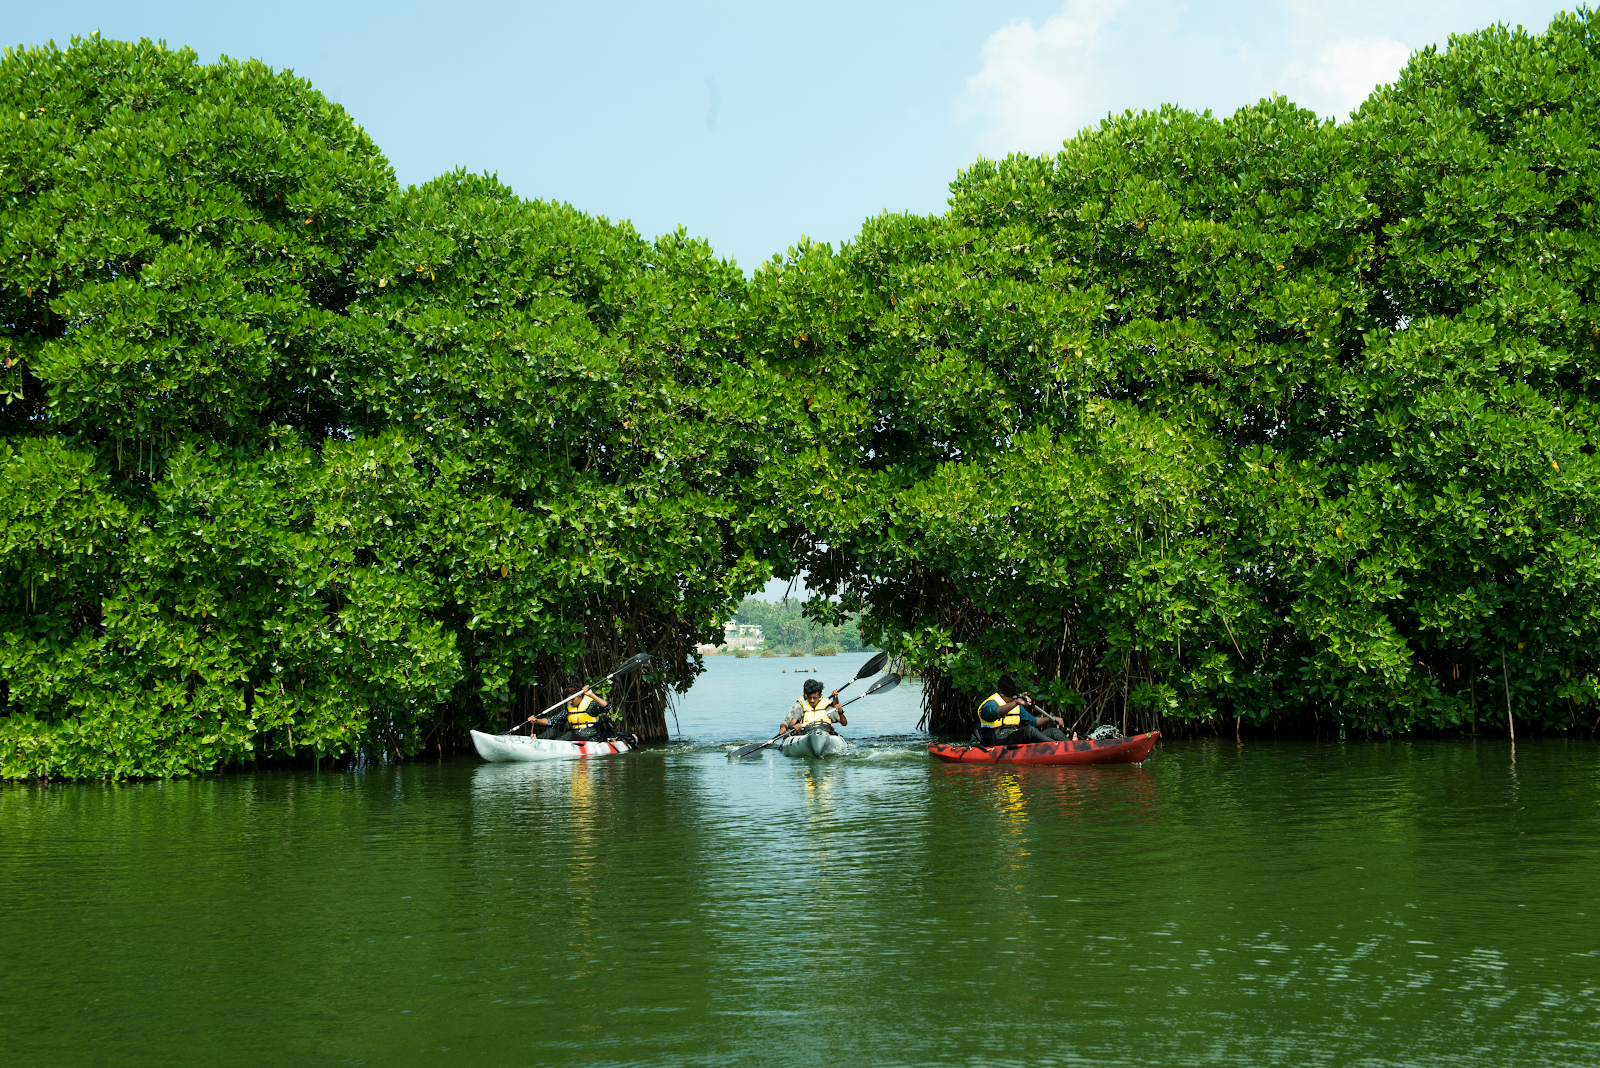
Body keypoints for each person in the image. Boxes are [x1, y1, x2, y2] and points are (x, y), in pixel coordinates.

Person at [975, 674, 1077, 746]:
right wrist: (1016, 702)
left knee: (1054, 731)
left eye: (1016, 694)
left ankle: (1072, 746)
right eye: (1013, 695)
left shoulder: (1016, 706)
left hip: (1011, 737)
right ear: (1002, 693)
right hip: (995, 741)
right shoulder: (990, 704)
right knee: (1029, 731)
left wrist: (1051, 719)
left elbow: (1032, 721)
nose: (1015, 697)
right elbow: (996, 712)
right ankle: (1059, 747)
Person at [527, 685, 612, 741]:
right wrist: (536, 721)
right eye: (568, 700)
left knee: (570, 735)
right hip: (575, 734)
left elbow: (606, 707)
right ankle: (535, 741)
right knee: (551, 732)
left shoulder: (590, 705)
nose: (570, 702)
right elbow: (552, 721)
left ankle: (552, 746)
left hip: (590, 736)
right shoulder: (569, 710)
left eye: (572, 699)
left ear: (580, 696)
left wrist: (591, 694)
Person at [779, 678, 846, 736]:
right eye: (810, 698)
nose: (812, 700)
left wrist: (840, 711)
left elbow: (844, 723)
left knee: (826, 732)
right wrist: (794, 726)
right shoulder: (800, 707)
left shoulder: (827, 707)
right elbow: (790, 723)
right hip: (807, 733)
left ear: (820, 696)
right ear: (806, 695)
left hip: (825, 733)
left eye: (814, 698)